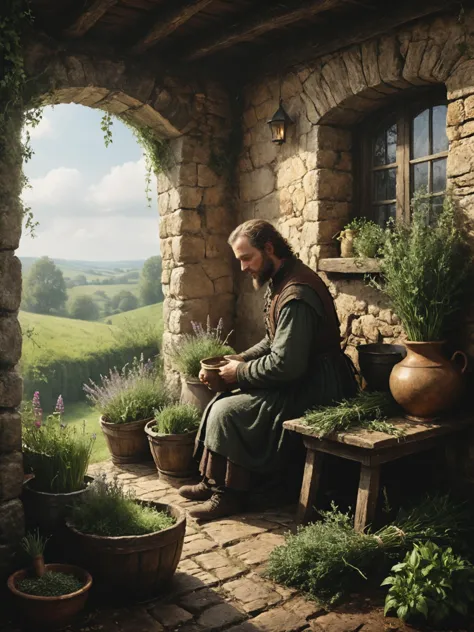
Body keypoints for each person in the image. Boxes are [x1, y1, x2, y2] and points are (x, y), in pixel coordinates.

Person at [178, 219, 358, 520]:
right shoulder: (280, 281)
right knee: (220, 402)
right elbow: (273, 341)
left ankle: (230, 495)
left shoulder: (296, 294)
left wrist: (240, 373)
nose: (243, 267)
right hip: (299, 377)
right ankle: (213, 482)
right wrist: (235, 359)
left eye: (247, 258)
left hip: (317, 386)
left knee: (229, 412)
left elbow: (287, 364)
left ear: (269, 248)